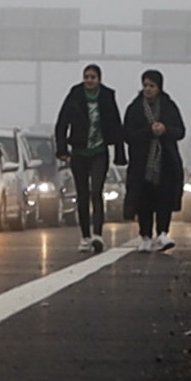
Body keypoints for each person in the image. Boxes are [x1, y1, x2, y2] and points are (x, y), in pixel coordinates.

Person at [54, 64, 127, 253]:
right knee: (82, 194)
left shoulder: (107, 96)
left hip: (99, 152)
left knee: (97, 191)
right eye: (86, 77)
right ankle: (85, 236)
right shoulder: (75, 95)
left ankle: (97, 235)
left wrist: (120, 153)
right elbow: (62, 123)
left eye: (93, 77)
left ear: (99, 79)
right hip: (79, 152)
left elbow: (116, 124)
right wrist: (62, 148)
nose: (89, 80)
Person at [122, 69, 186, 253]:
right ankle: (145, 236)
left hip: (165, 162)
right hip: (142, 163)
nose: (148, 89)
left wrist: (165, 129)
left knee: (164, 199)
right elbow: (128, 134)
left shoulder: (169, 107)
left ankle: (163, 233)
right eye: (146, 86)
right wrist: (149, 132)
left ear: (159, 87)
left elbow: (180, 131)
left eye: (152, 86)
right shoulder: (134, 108)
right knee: (144, 201)